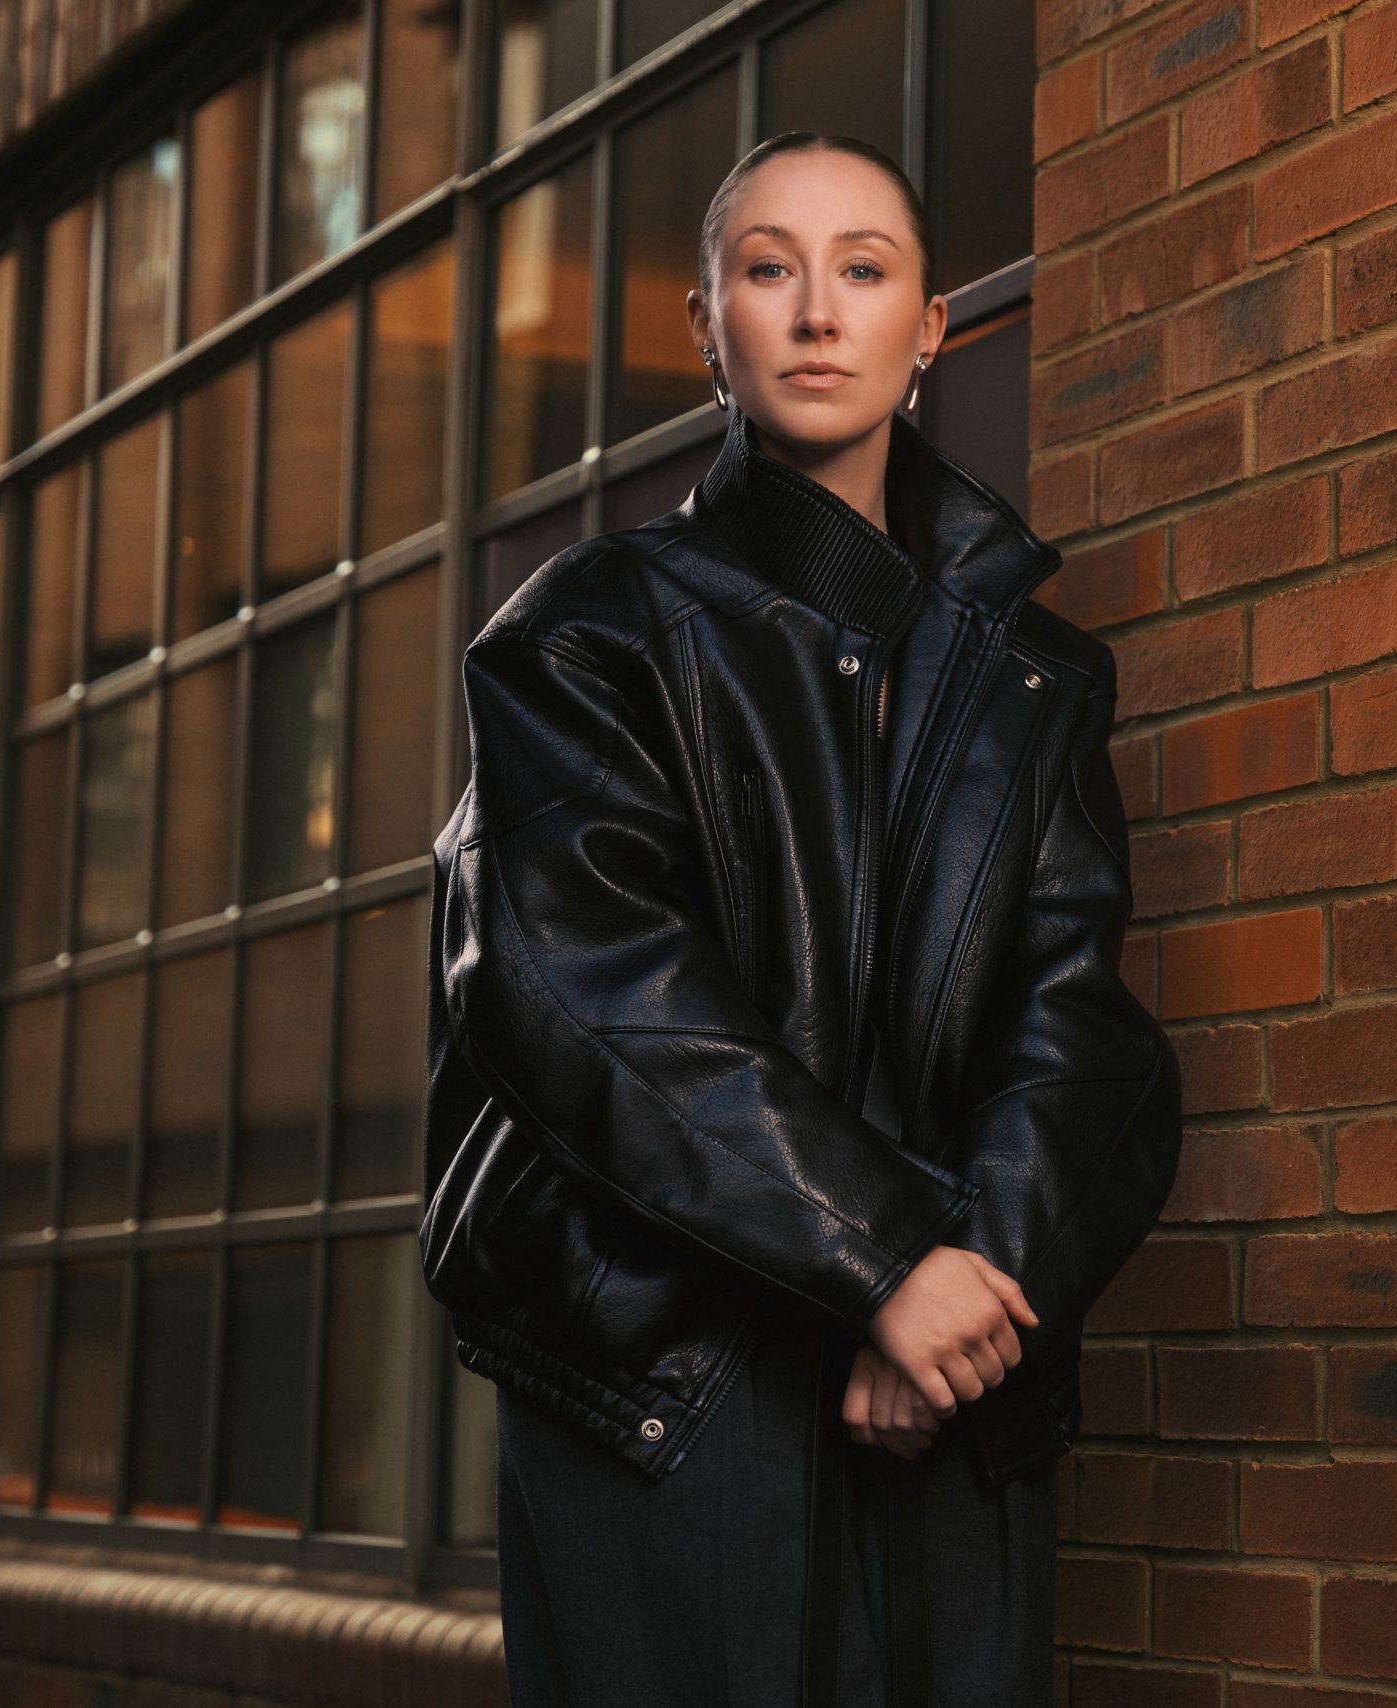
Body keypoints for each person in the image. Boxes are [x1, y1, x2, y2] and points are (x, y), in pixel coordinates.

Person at [420, 131, 1183, 1707]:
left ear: (931, 329)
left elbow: (1084, 1032)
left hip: (956, 1384)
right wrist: (885, 1262)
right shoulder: (587, 634)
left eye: (865, 269)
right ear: (709, 326)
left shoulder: (1037, 675)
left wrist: (964, 1295)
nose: (818, 311)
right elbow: (585, 994)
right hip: (679, 1381)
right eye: (770, 270)